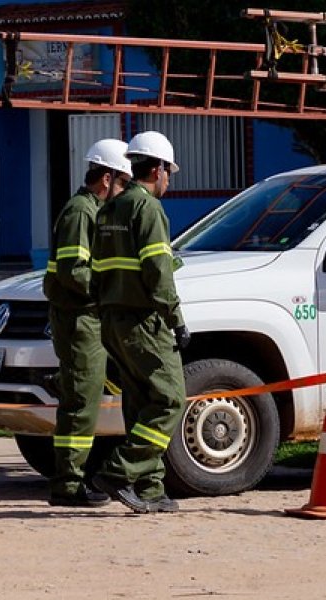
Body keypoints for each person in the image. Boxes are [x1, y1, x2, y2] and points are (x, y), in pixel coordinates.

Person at [90, 130, 191, 514]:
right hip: (143, 321)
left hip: (113, 320)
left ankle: (149, 488)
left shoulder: (109, 210)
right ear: (160, 169)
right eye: (170, 173)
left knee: (139, 402)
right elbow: (158, 272)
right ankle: (119, 472)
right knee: (168, 399)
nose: (169, 180)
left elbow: (96, 270)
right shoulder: (147, 210)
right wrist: (176, 320)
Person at [43, 138, 132, 507]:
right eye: (124, 184)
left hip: (85, 317)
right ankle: (68, 485)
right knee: (81, 401)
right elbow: (73, 271)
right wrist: (108, 291)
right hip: (80, 317)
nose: (124, 192)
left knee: (85, 396)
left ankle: (74, 475)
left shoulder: (93, 209)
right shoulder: (82, 211)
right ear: (107, 178)